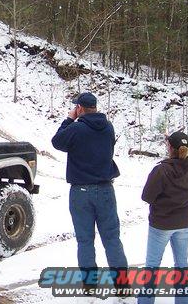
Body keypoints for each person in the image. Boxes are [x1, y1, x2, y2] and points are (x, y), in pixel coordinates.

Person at [51, 92, 128, 292]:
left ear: (80, 108)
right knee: (112, 238)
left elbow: (57, 141)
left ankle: (90, 283)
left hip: (81, 191)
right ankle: (121, 284)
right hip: (105, 189)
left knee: (85, 239)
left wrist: (69, 119)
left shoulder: (76, 128)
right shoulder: (108, 127)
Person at [138, 131, 188, 304]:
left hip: (161, 225)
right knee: (182, 265)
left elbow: (146, 196)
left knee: (152, 267)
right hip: (184, 223)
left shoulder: (161, 170)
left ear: (169, 147)